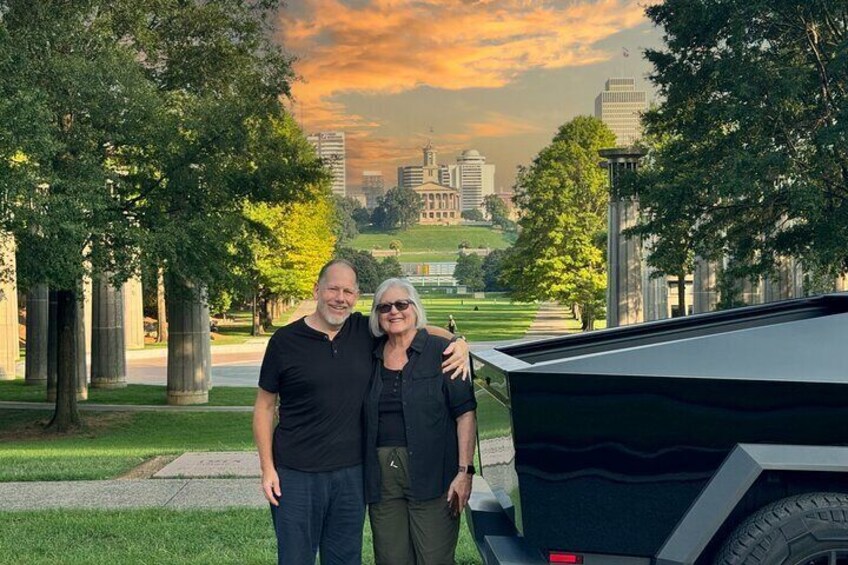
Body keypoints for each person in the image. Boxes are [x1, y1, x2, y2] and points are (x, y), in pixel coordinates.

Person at [253, 260, 469, 565]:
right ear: (317, 290)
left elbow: (412, 327)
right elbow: (264, 406)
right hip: (296, 474)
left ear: (356, 297)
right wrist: (267, 469)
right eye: (333, 289)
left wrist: (458, 341)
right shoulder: (285, 342)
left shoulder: (363, 332)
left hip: (351, 475)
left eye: (348, 291)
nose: (340, 298)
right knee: (295, 558)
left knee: (345, 559)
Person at [364, 278, 477, 565]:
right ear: (377, 315)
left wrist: (464, 472)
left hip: (434, 475)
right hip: (382, 478)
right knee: (391, 558)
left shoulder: (443, 351)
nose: (394, 311)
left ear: (415, 309)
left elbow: (465, 413)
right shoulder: (369, 352)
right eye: (385, 307)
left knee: (434, 558)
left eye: (402, 304)